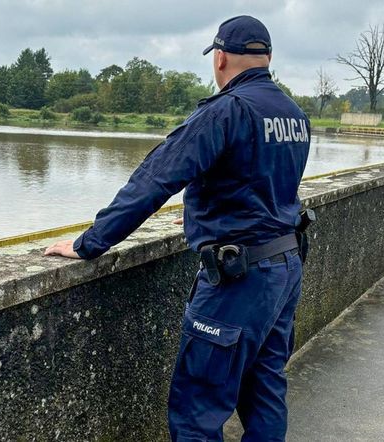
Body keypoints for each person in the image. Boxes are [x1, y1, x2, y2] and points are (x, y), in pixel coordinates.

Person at [44, 15, 311, 442]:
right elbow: (260, 185)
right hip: (284, 267)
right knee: (264, 390)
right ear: (268, 59)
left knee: (196, 411)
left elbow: (154, 179)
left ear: (220, 57)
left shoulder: (226, 111)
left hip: (238, 281)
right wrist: (200, 213)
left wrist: (89, 244)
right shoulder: (293, 114)